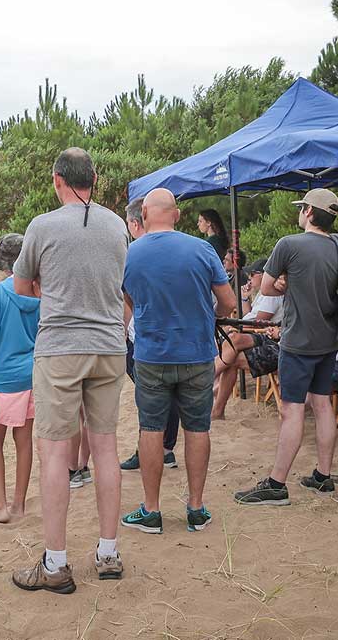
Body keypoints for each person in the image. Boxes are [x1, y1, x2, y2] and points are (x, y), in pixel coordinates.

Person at [10, 147, 129, 595]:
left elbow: (23, 287)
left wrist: (50, 288)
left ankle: (56, 563)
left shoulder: (41, 226)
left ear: (57, 179)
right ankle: (107, 552)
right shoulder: (117, 224)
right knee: (105, 448)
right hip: (108, 346)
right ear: (94, 178)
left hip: (60, 347)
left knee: (55, 452)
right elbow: (119, 280)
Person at [233, 189, 338, 506]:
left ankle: (277, 484)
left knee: (291, 410)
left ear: (308, 212)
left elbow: (265, 288)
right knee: (322, 406)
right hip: (328, 341)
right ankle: (323, 475)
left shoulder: (289, 245)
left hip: (297, 341)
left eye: (301, 207)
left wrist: (283, 282)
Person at [120, 189, 236, 535]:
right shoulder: (202, 249)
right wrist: (208, 320)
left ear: (143, 213)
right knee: (198, 428)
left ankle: (152, 510)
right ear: (177, 215)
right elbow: (228, 303)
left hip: (151, 354)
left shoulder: (131, 253)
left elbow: (125, 302)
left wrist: (137, 328)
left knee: (151, 429)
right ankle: (196, 508)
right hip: (197, 352)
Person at [0, 234, 40, 524]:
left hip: (5, 376)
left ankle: (0, 505)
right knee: (24, 439)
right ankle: (19, 504)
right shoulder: (40, 292)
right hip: (33, 375)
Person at [120, 197, 180, 472]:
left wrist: (122, 332)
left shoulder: (133, 254)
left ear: (136, 222)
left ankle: (152, 450)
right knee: (171, 396)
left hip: (144, 338)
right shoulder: (179, 247)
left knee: (149, 398)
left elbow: (126, 299)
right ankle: (166, 449)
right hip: (177, 333)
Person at [212, 263, 286, 420]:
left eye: (253, 274)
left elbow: (258, 321)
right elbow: (248, 314)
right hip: (266, 334)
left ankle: (206, 381)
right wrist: (245, 297)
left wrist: (279, 332)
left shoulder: (275, 294)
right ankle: (215, 403)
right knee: (232, 340)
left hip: (273, 339)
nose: (250, 278)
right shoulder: (263, 293)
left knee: (233, 339)